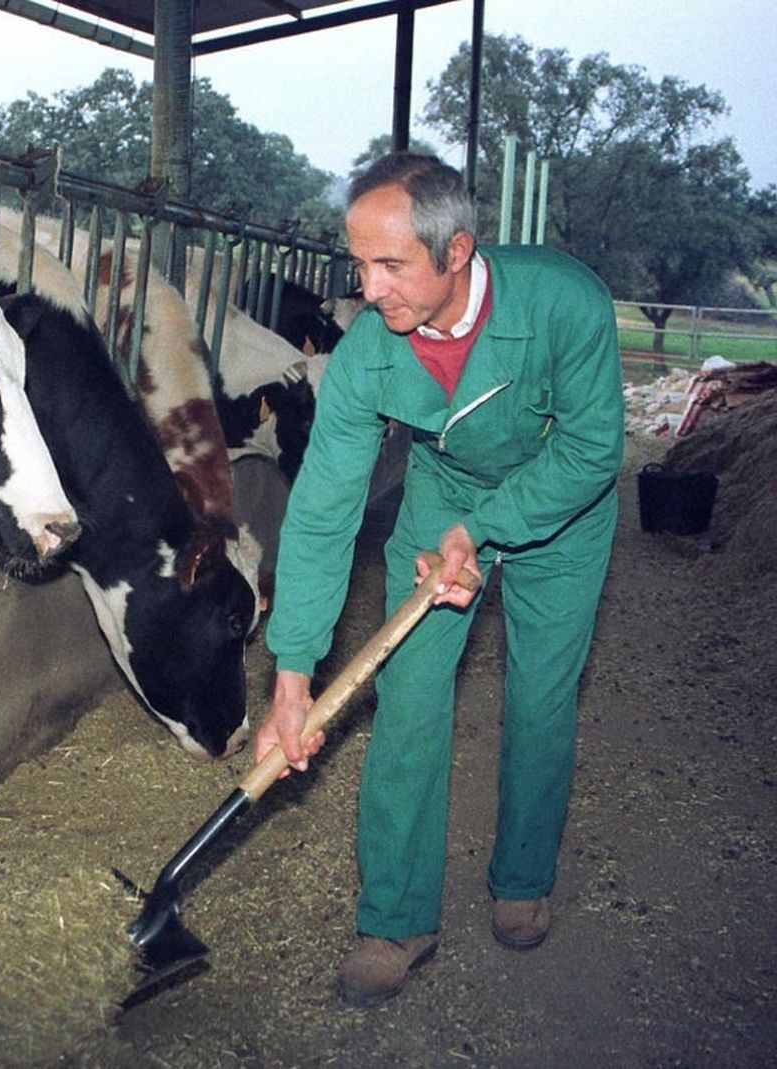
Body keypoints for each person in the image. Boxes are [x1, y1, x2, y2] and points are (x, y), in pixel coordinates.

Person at [253, 152, 624, 1007]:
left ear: (456, 252)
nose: (367, 288)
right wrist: (294, 671)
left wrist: (487, 530)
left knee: (539, 694)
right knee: (411, 693)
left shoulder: (563, 301)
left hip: (561, 507)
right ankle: (396, 919)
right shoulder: (365, 358)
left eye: (390, 265)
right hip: (443, 497)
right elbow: (322, 512)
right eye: (358, 264)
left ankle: (522, 875)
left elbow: (592, 448)